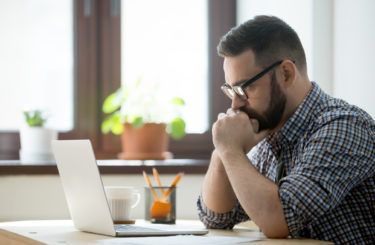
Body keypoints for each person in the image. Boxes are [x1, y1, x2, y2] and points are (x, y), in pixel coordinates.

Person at [197, 15, 375, 244]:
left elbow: (279, 220)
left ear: (286, 74)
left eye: (244, 88)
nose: (235, 104)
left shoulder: (344, 126)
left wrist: (231, 150)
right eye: (231, 90)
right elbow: (217, 218)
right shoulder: (268, 138)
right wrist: (222, 151)